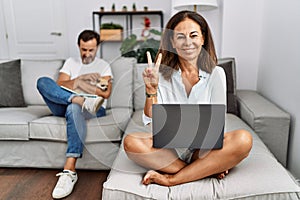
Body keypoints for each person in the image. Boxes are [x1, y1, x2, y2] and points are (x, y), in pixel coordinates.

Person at [123, 10, 253, 186]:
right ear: (172, 42)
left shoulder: (216, 74)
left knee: (244, 139)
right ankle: (203, 169)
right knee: (131, 142)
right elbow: (150, 119)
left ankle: (173, 178)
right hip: (168, 150)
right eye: (180, 37)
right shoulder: (160, 74)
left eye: (193, 35)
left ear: (203, 39)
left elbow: (217, 123)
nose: (188, 43)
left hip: (203, 149)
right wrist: (151, 89)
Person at [36, 30, 113, 199]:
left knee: (73, 108)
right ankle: (78, 99)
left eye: (91, 50)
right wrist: (80, 81)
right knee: (42, 81)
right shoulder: (71, 62)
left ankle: (69, 171)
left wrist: (78, 83)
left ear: (97, 47)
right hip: (65, 102)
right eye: (84, 49)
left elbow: (104, 93)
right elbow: (58, 86)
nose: (87, 54)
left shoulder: (103, 66)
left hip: (94, 108)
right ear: (79, 46)